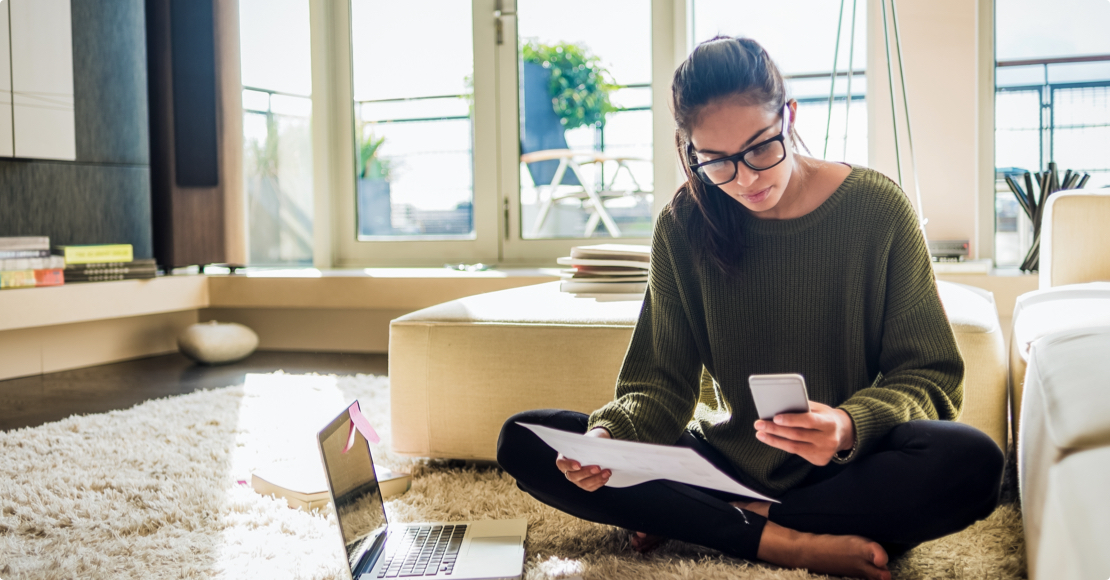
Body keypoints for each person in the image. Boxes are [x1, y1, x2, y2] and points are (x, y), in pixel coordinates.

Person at [496, 36, 1004, 580]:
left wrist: (847, 425)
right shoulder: (684, 225)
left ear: (788, 115)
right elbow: (661, 386)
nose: (747, 178)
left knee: (973, 463)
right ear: (690, 149)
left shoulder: (878, 209)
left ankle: (726, 522)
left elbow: (931, 375)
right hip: (725, 465)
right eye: (716, 161)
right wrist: (610, 441)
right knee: (525, 440)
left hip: (843, 470)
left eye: (761, 148)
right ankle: (786, 542)